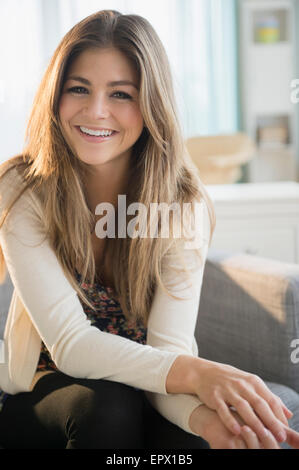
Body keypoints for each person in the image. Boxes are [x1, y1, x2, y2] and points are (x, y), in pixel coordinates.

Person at [0, 9, 298, 450]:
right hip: (46, 395)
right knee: (108, 406)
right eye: (78, 88)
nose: (96, 111)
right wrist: (199, 373)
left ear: (151, 105)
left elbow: (166, 352)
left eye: (121, 94)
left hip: (143, 389)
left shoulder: (183, 204)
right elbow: (71, 345)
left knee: (200, 437)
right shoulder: (23, 188)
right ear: (55, 97)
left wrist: (204, 419)